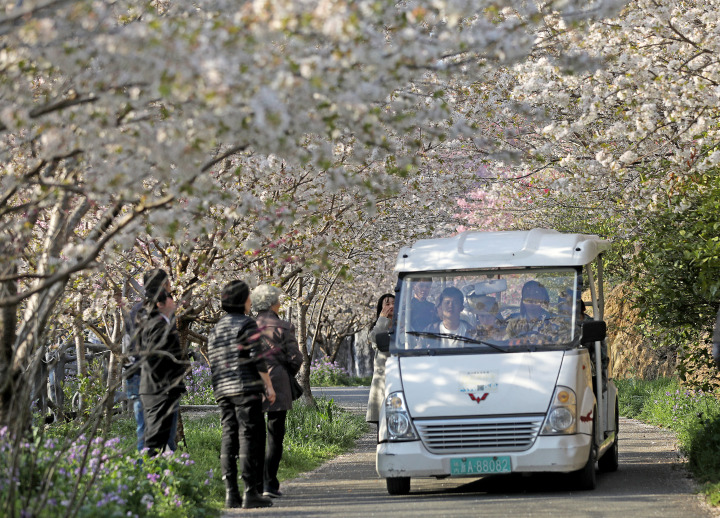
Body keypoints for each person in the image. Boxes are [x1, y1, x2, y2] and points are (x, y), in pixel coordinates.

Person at [208, 280, 276, 509]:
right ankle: (250, 491)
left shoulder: (215, 329)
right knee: (249, 436)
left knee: (229, 436)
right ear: (241, 300)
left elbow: (214, 362)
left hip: (223, 390)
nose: (250, 301)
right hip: (246, 388)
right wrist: (268, 386)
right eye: (248, 296)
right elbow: (257, 357)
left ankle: (231, 494)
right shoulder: (247, 324)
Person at [251, 284, 303, 500]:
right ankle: (269, 483)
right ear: (273, 303)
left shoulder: (249, 326)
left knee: (253, 434)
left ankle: (253, 482)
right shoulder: (284, 326)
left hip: (252, 382)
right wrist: (285, 373)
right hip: (278, 383)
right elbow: (296, 358)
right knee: (275, 434)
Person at [124, 269, 179, 452]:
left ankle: (148, 471)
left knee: (144, 429)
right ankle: (160, 471)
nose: (171, 287)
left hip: (137, 373)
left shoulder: (135, 310)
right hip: (155, 376)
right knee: (163, 428)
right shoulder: (158, 311)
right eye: (169, 283)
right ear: (163, 285)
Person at [137, 270, 188, 457]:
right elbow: (155, 358)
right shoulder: (158, 325)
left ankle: (158, 477)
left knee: (160, 438)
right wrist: (168, 383)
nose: (174, 302)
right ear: (161, 303)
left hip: (161, 389)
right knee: (155, 439)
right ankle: (149, 478)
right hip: (159, 389)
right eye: (170, 298)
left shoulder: (160, 322)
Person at [504, 280, 570, 344]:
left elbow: (562, 344)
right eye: (528, 296)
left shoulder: (555, 321)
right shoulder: (513, 324)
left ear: (544, 299)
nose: (532, 300)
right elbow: (505, 345)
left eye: (536, 295)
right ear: (522, 300)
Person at [366, 293, 395, 427]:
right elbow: (374, 338)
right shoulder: (377, 326)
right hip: (382, 379)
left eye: (394, 303)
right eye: (387, 304)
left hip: (400, 376)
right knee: (382, 424)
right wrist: (383, 319)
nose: (391, 307)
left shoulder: (404, 325)